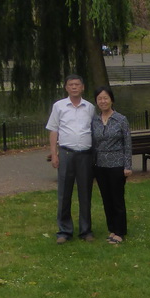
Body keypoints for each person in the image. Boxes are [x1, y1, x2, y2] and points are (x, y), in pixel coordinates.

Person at [46, 74, 95, 243]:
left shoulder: (89, 107)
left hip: (85, 155)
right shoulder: (59, 106)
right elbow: (53, 130)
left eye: (77, 84)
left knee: (85, 193)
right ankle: (64, 231)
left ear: (83, 87)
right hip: (66, 154)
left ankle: (86, 230)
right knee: (64, 193)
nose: (74, 87)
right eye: (71, 85)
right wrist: (54, 154)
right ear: (66, 88)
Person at [92, 85, 132, 244]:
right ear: (96, 102)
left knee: (117, 198)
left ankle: (120, 231)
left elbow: (127, 143)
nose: (103, 101)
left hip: (116, 163)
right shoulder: (94, 120)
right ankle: (112, 228)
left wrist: (127, 165)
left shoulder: (121, 119)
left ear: (111, 100)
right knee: (106, 198)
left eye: (105, 98)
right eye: (100, 99)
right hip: (100, 165)